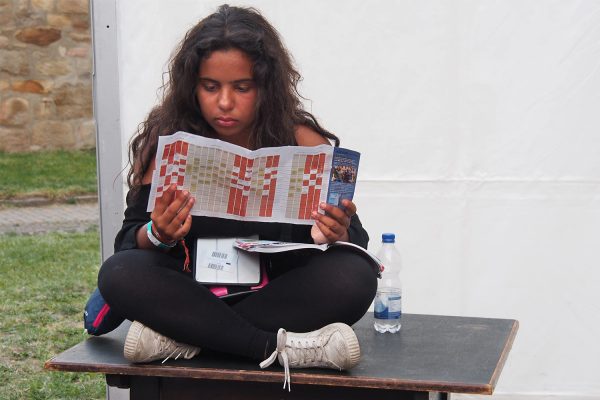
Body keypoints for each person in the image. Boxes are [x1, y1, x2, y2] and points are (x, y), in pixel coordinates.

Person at [97, 4, 378, 390]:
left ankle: (188, 340)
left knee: (355, 277)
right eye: (210, 86)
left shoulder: (302, 141)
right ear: (192, 86)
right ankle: (272, 348)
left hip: (269, 299)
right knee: (119, 274)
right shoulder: (168, 142)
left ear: (265, 86)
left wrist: (337, 231)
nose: (224, 102)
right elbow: (128, 243)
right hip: (192, 293)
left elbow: (357, 244)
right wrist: (158, 233)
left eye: (241, 88)